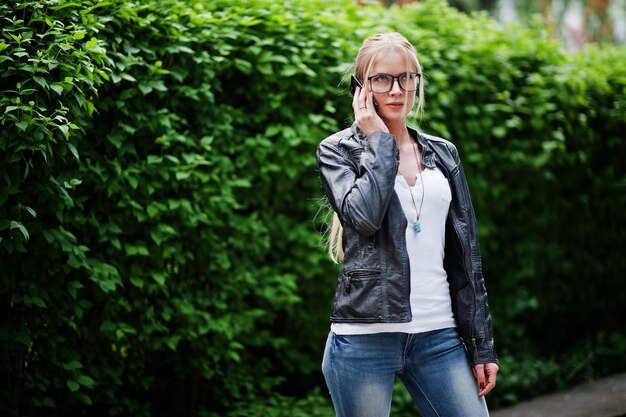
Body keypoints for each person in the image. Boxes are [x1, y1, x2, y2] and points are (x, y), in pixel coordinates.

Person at [316, 32, 499, 417]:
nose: (397, 90)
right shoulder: (337, 151)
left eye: (407, 77)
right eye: (382, 79)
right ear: (361, 89)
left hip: (440, 336)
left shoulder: (443, 153)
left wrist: (481, 344)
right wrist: (380, 142)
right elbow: (363, 219)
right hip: (364, 341)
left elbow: (466, 257)